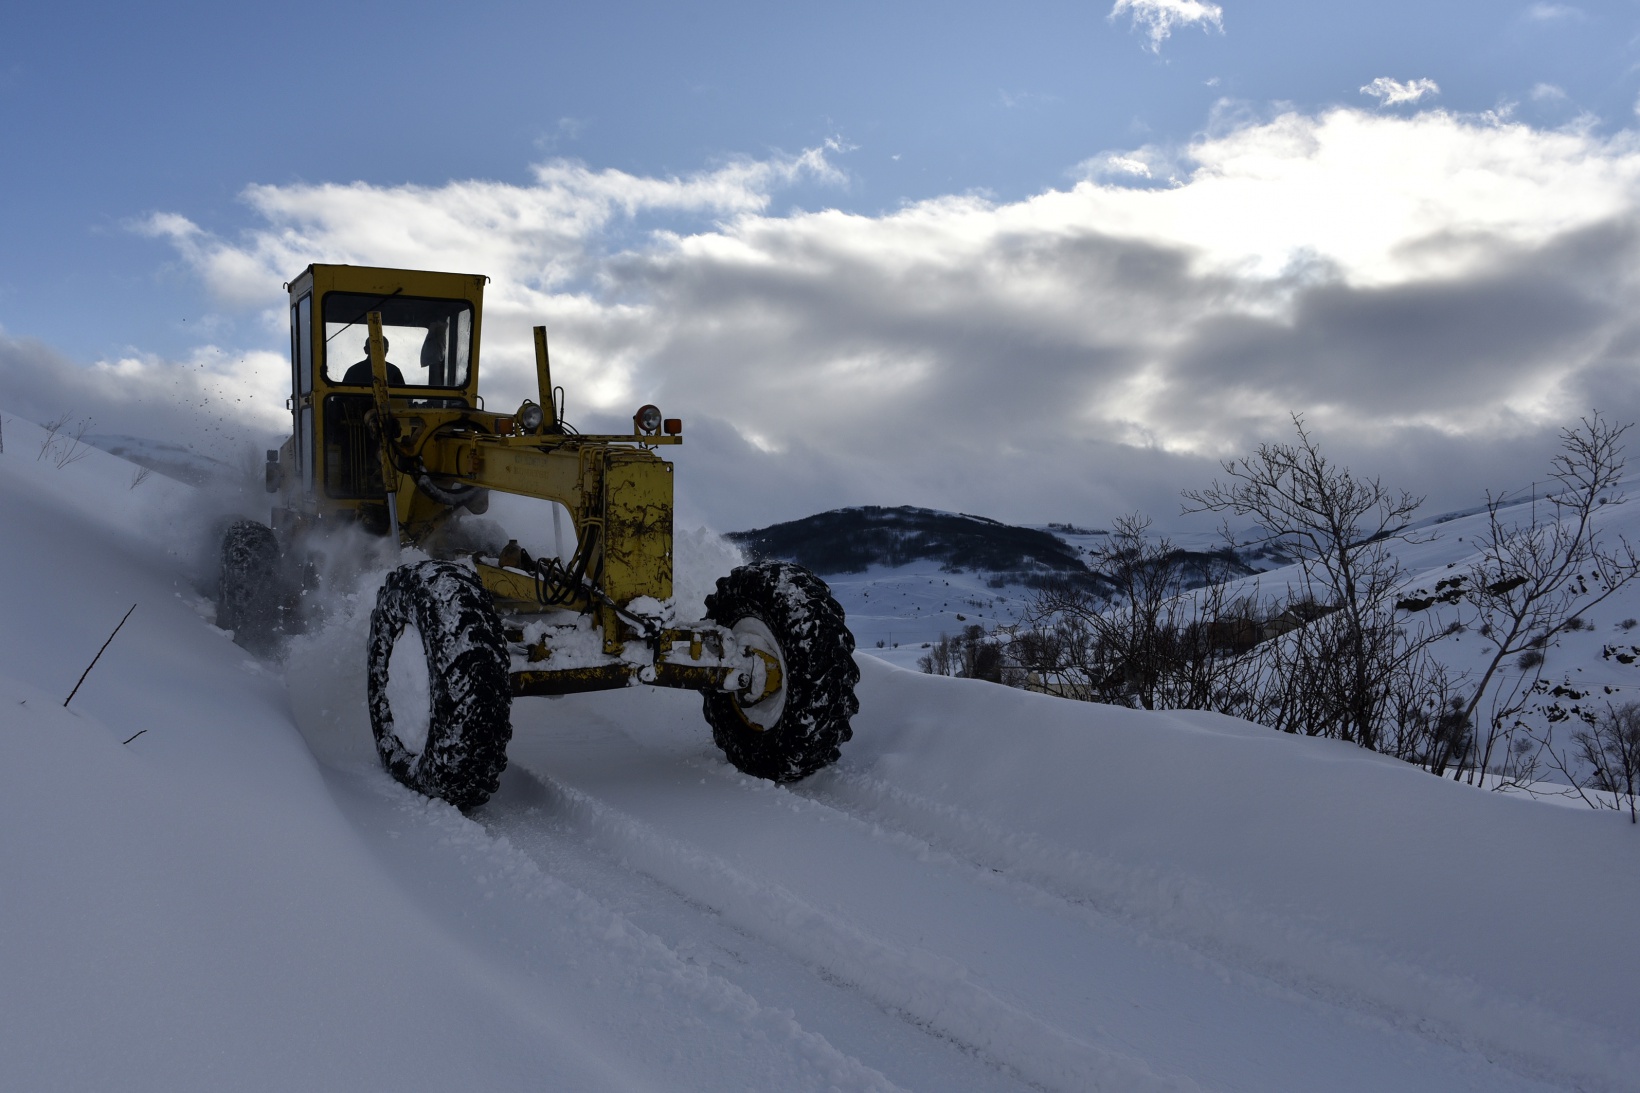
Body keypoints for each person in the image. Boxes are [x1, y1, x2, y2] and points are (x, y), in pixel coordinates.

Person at [341, 336, 406, 386]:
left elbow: (405, 398)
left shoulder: (353, 370)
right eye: (376, 349)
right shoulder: (393, 370)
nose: (381, 352)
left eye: (385, 350)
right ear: (366, 350)